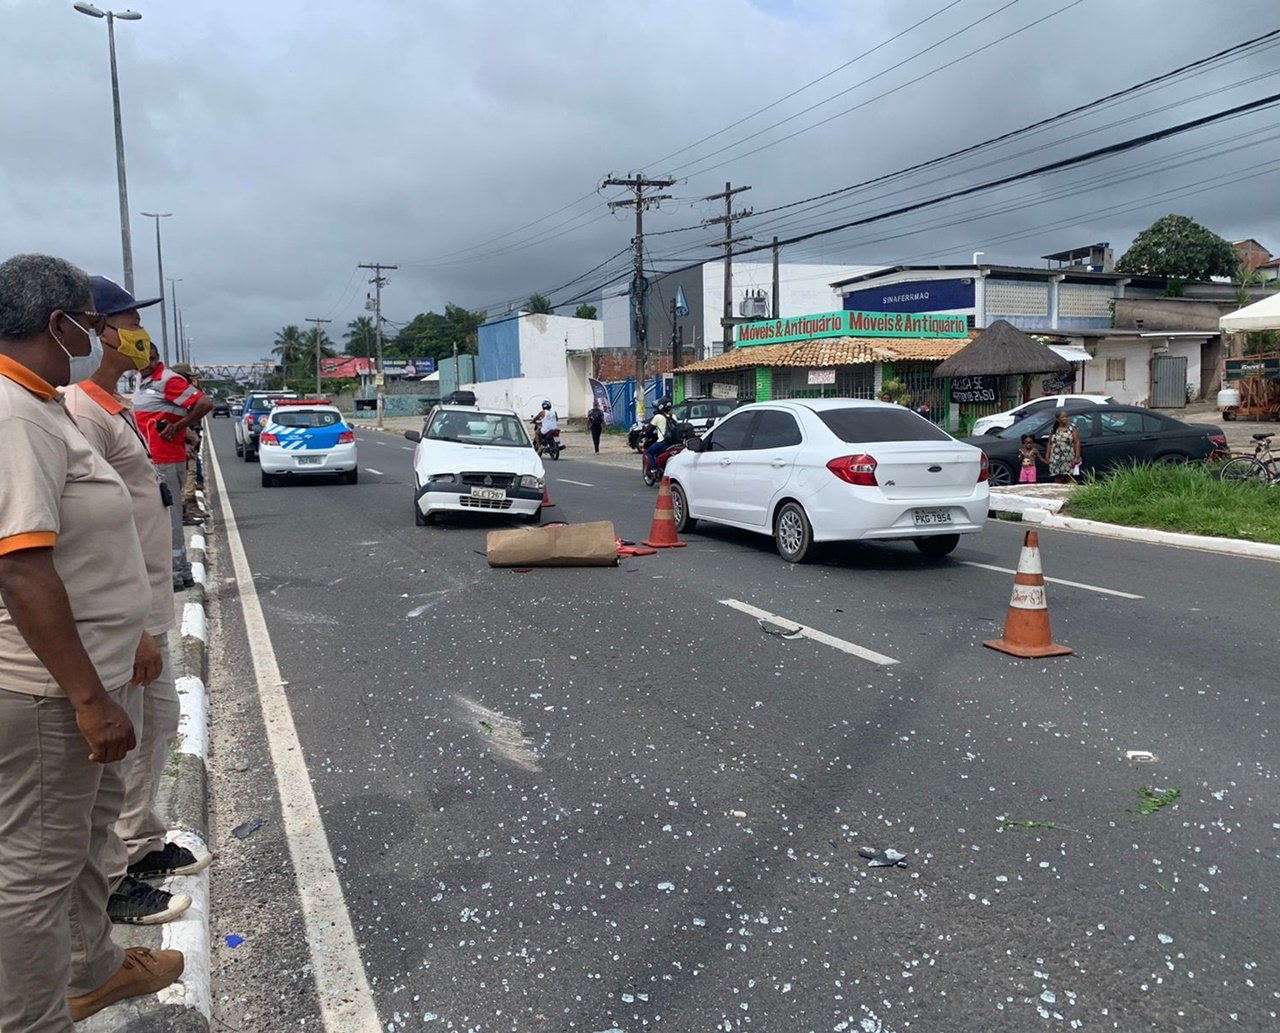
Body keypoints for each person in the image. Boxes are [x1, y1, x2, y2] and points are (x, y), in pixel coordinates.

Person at [0, 253, 183, 1030]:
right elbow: (22, 569)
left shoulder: (37, 405)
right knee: (31, 877)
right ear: (60, 324)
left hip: (83, 683)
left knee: (77, 847)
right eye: (93, 318)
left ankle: (92, 970)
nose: (105, 332)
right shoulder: (14, 413)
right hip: (50, 693)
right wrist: (87, 698)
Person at [64, 278, 212, 926]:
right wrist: (131, 630)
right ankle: (113, 878)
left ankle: (144, 844)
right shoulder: (80, 411)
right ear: (101, 331)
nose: (140, 332)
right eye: (129, 320)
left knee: (155, 729)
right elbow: (85, 529)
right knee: (117, 754)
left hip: (150, 601)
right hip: (123, 616)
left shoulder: (113, 403)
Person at [129, 320, 214, 590]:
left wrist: (177, 427)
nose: (145, 362)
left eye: (149, 358)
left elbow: (204, 402)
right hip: (154, 457)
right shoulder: (142, 381)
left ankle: (176, 574)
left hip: (165, 458)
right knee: (164, 518)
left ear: (156, 358)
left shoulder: (167, 380)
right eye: (141, 358)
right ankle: (183, 572)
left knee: (168, 518)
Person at [1046, 409, 1082, 484]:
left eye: (1066, 417)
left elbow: (1077, 442)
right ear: (1057, 419)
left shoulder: (1072, 428)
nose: (1065, 418)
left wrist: (1077, 456)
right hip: (1056, 458)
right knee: (1058, 477)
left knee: (1069, 476)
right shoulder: (1054, 429)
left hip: (1068, 457)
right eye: (1063, 417)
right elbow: (1049, 443)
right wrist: (1047, 456)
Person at [645, 401, 673, 479]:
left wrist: (643, 433)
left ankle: (654, 470)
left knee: (649, 452)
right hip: (674, 442)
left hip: (663, 442)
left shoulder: (658, 417)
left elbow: (649, 429)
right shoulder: (673, 416)